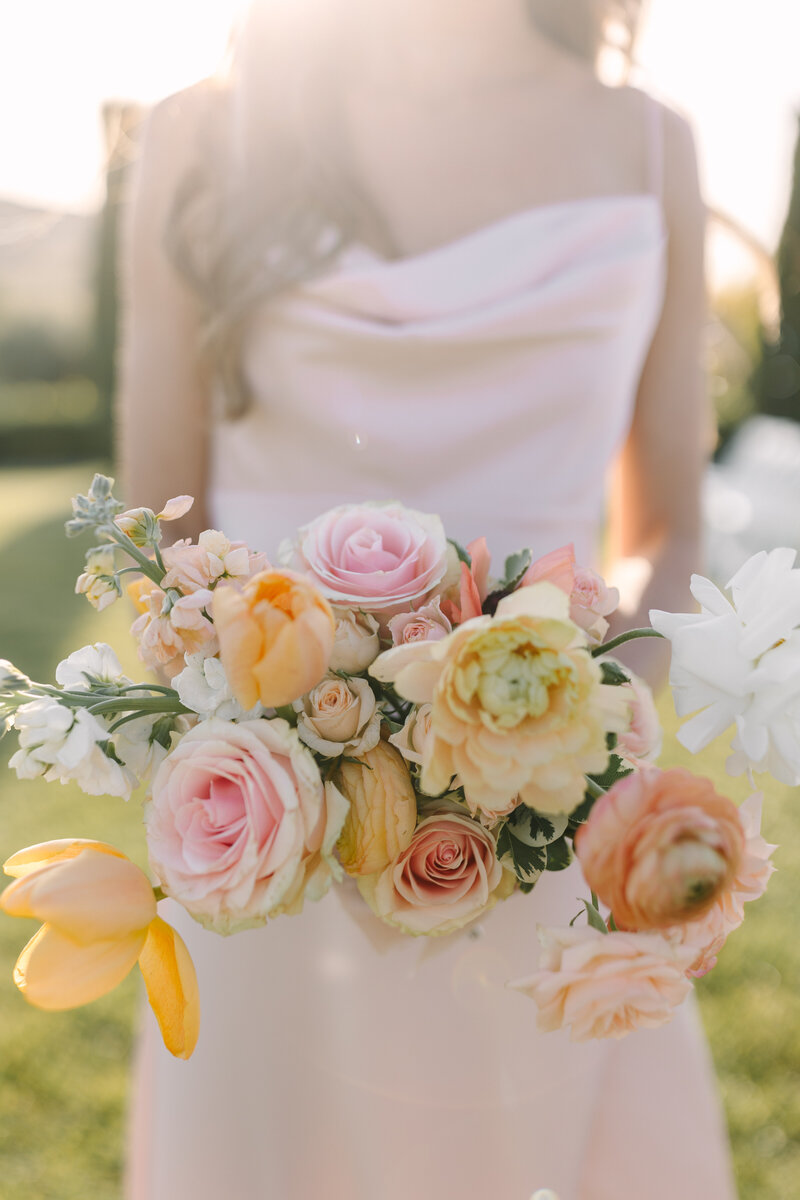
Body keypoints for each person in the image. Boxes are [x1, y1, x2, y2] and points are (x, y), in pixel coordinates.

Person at [119, 1, 736, 1196]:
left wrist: (578, 737)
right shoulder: (203, 135)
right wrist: (312, 766)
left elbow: (666, 522)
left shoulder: (651, 144)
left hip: (546, 806)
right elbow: (160, 530)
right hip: (270, 820)